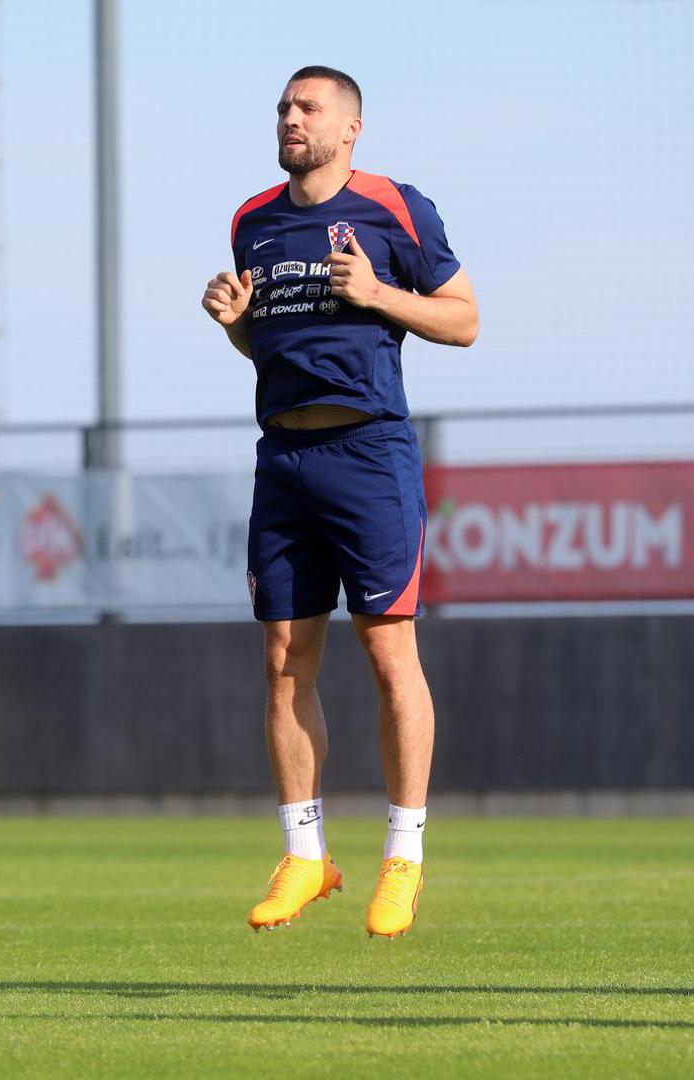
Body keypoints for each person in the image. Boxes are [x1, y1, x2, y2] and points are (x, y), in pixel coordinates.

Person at [201, 66, 478, 938]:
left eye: (308, 107)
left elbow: (464, 319)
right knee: (285, 659)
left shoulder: (397, 207)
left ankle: (404, 856)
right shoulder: (253, 221)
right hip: (283, 453)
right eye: (284, 106)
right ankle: (306, 855)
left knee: (391, 654)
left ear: (350, 127)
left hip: (369, 451)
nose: (291, 117)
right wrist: (239, 326)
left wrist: (379, 294)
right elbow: (271, 350)